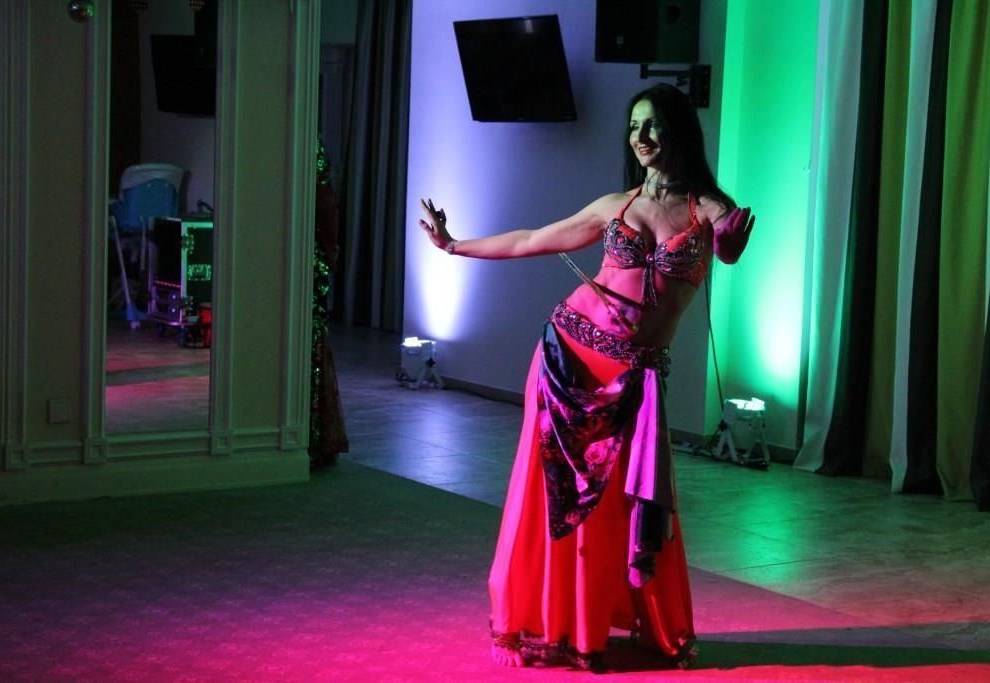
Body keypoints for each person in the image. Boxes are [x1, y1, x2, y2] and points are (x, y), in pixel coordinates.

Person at [419, 84, 753, 671]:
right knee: (558, 497)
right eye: (634, 126)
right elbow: (531, 239)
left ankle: (613, 620)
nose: (641, 137)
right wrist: (453, 245)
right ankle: (560, 623)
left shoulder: (707, 209)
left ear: (678, 130)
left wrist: (728, 244)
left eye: (653, 125)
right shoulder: (615, 206)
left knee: (625, 502)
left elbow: (727, 246)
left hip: (634, 379)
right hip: (568, 358)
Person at [309, 137, 349, 468]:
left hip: (305, 260)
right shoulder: (310, 144)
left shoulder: (307, 143)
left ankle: (311, 435)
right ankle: (314, 436)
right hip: (309, 257)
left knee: (311, 346)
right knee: (311, 345)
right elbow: (326, 206)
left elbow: (325, 206)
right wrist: (330, 250)